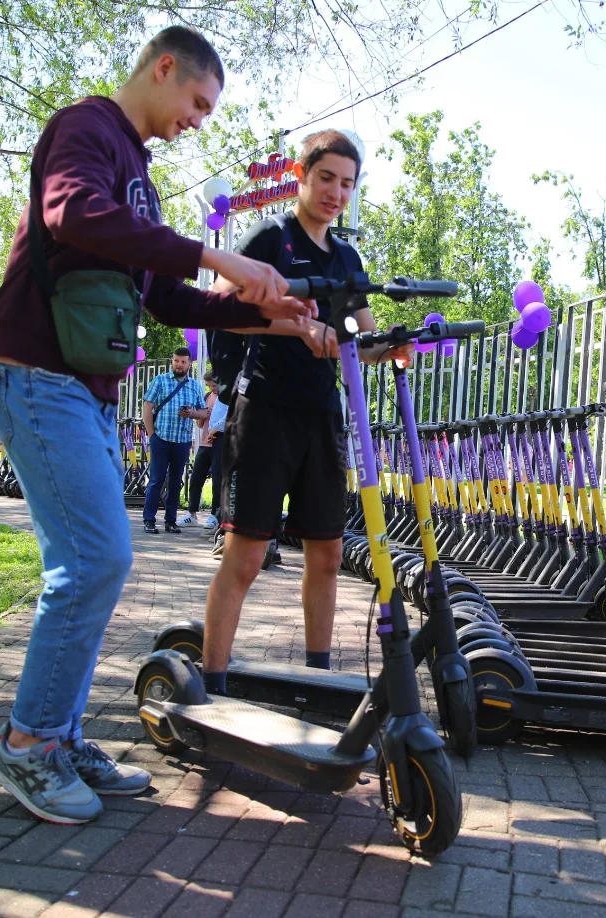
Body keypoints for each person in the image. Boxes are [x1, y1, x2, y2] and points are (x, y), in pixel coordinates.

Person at [0, 25, 309, 826]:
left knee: (93, 566)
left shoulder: (144, 184)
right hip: (32, 371)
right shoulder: (84, 129)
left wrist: (272, 319)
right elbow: (73, 214)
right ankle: (26, 745)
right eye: (197, 101)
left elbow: (167, 298)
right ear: (163, 69)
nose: (199, 119)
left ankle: (57, 735)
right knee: (96, 558)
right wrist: (218, 255)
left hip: (81, 387)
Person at [201, 129, 412, 692]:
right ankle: (212, 677)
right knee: (245, 555)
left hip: (323, 416)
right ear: (301, 175)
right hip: (266, 409)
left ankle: (318, 678)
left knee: (327, 554)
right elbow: (220, 304)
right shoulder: (272, 236)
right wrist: (298, 326)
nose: (336, 193)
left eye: (347, 183)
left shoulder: (346, 256)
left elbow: (364, 342)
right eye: (326, 178)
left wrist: (394, 342)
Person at [142, 347, 207, 534]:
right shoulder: (160, 380)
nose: (179, 365)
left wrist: (192, 413)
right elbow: (147, 405)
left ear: (189, 364)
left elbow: (203, 412)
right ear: (172, 361)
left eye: (183, 362)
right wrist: (151, 433)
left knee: (175, 482)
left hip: (182, 440)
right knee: (156, 480)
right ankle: (149, 520)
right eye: (176, 361)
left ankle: (170, 521)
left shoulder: (195, 385)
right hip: (160, 438)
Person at [184, 371, 220, 525]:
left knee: (218, 480)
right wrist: (203, 415)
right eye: (209, 385)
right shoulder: (207, 397)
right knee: (196, 478)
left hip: (218, 443)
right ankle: (192, 513)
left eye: (214, 385)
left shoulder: (225, 398)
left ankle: (215, 514)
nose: (212, 388)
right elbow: (200, 423)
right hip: (204, 443)